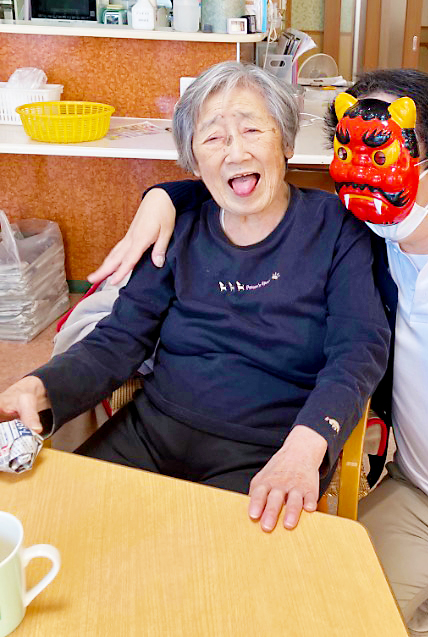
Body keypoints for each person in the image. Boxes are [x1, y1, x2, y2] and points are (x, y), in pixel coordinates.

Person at [83, 68, 428, 636]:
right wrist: (165, 195)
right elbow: (252, 190)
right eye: (348, 151)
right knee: (301, 617)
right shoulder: (363, 238)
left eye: (383, 151)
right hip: (422, 504)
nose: (363, 172)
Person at [0, 61, 389, 534]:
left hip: (269, 447)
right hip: (153, 432)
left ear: (286, 143)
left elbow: (358, 350)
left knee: (212, 569)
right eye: (213, 138)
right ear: (194, 162)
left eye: (252, 130)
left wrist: (306, 448)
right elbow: (118, 340)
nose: (236, 151)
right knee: (58, 526)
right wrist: (39, 386)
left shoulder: (336, 227)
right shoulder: (178, 227)